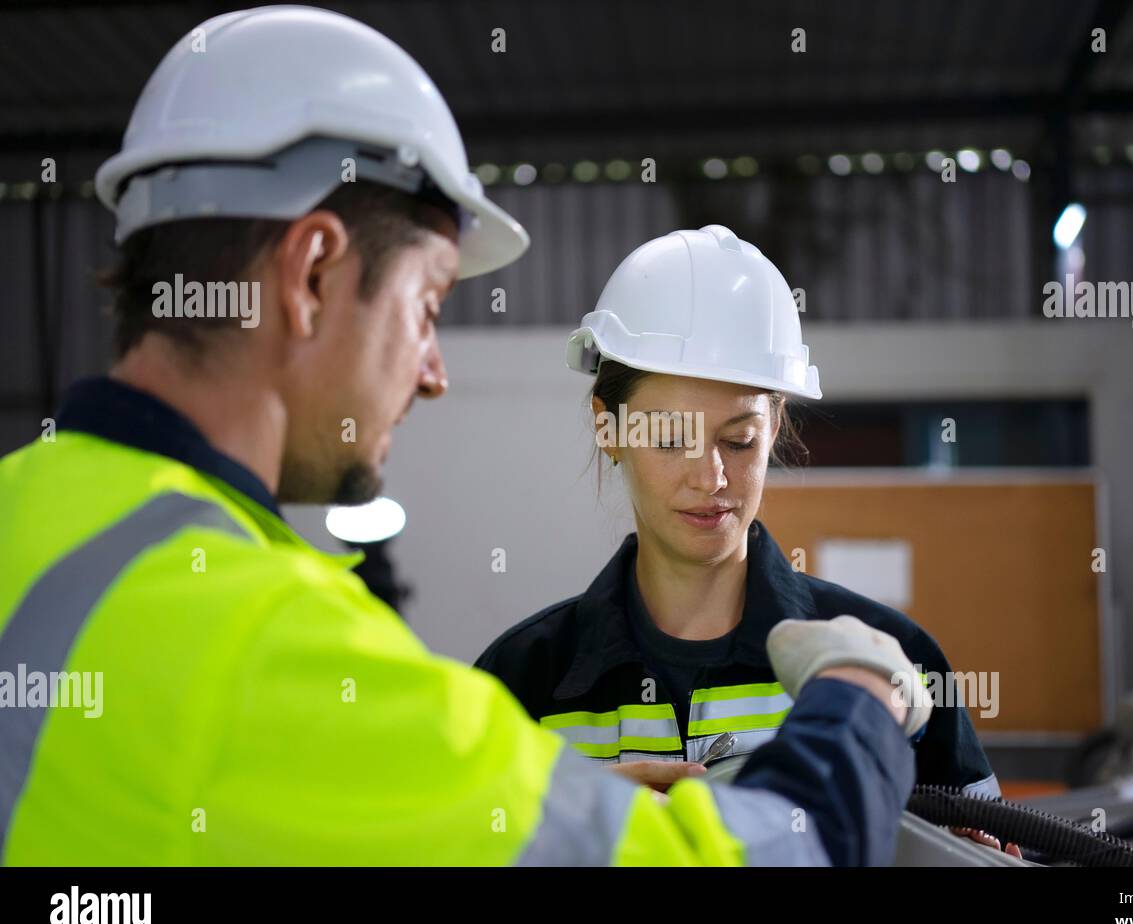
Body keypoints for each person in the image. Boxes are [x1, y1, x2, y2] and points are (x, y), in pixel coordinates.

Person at [0, 7, 928, 867]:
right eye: (427, 305)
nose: (434, 371)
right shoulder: (271, 642)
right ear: (312, 274)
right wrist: (855, 698)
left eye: (739, 436)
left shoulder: (27, 512)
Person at [477, 225, 1009, 850]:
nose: (712, 477)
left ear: (776, 423)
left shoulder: (887, 662)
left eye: (740, 440)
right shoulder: (521, 685)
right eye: (672, 438)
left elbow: (993, 850)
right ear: (608, 426)